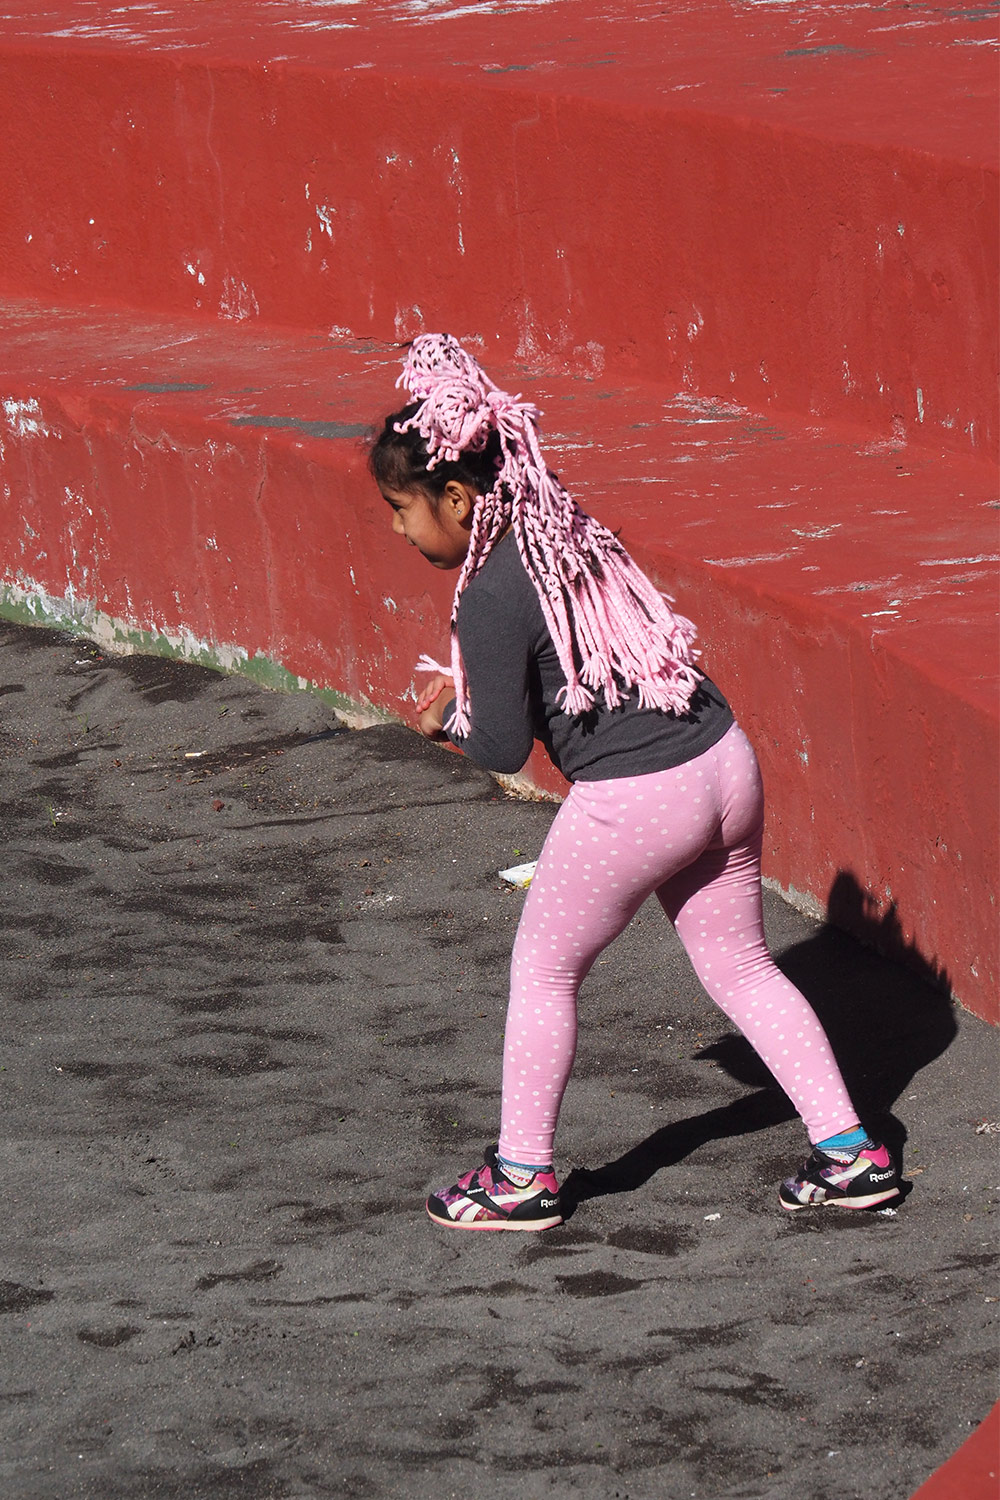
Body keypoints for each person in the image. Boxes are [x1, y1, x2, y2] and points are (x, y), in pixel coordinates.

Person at [369, 332, 900, 1232]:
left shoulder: (493, 588)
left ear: (456, 497)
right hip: (722, 758)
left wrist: (444, 720)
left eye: (401, 508)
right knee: (741, 964)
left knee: (544, 968)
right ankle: (852, 1154)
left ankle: (523, 1177)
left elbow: (500, 748)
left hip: (637, 798)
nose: (397, 526)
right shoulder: (563, 533)